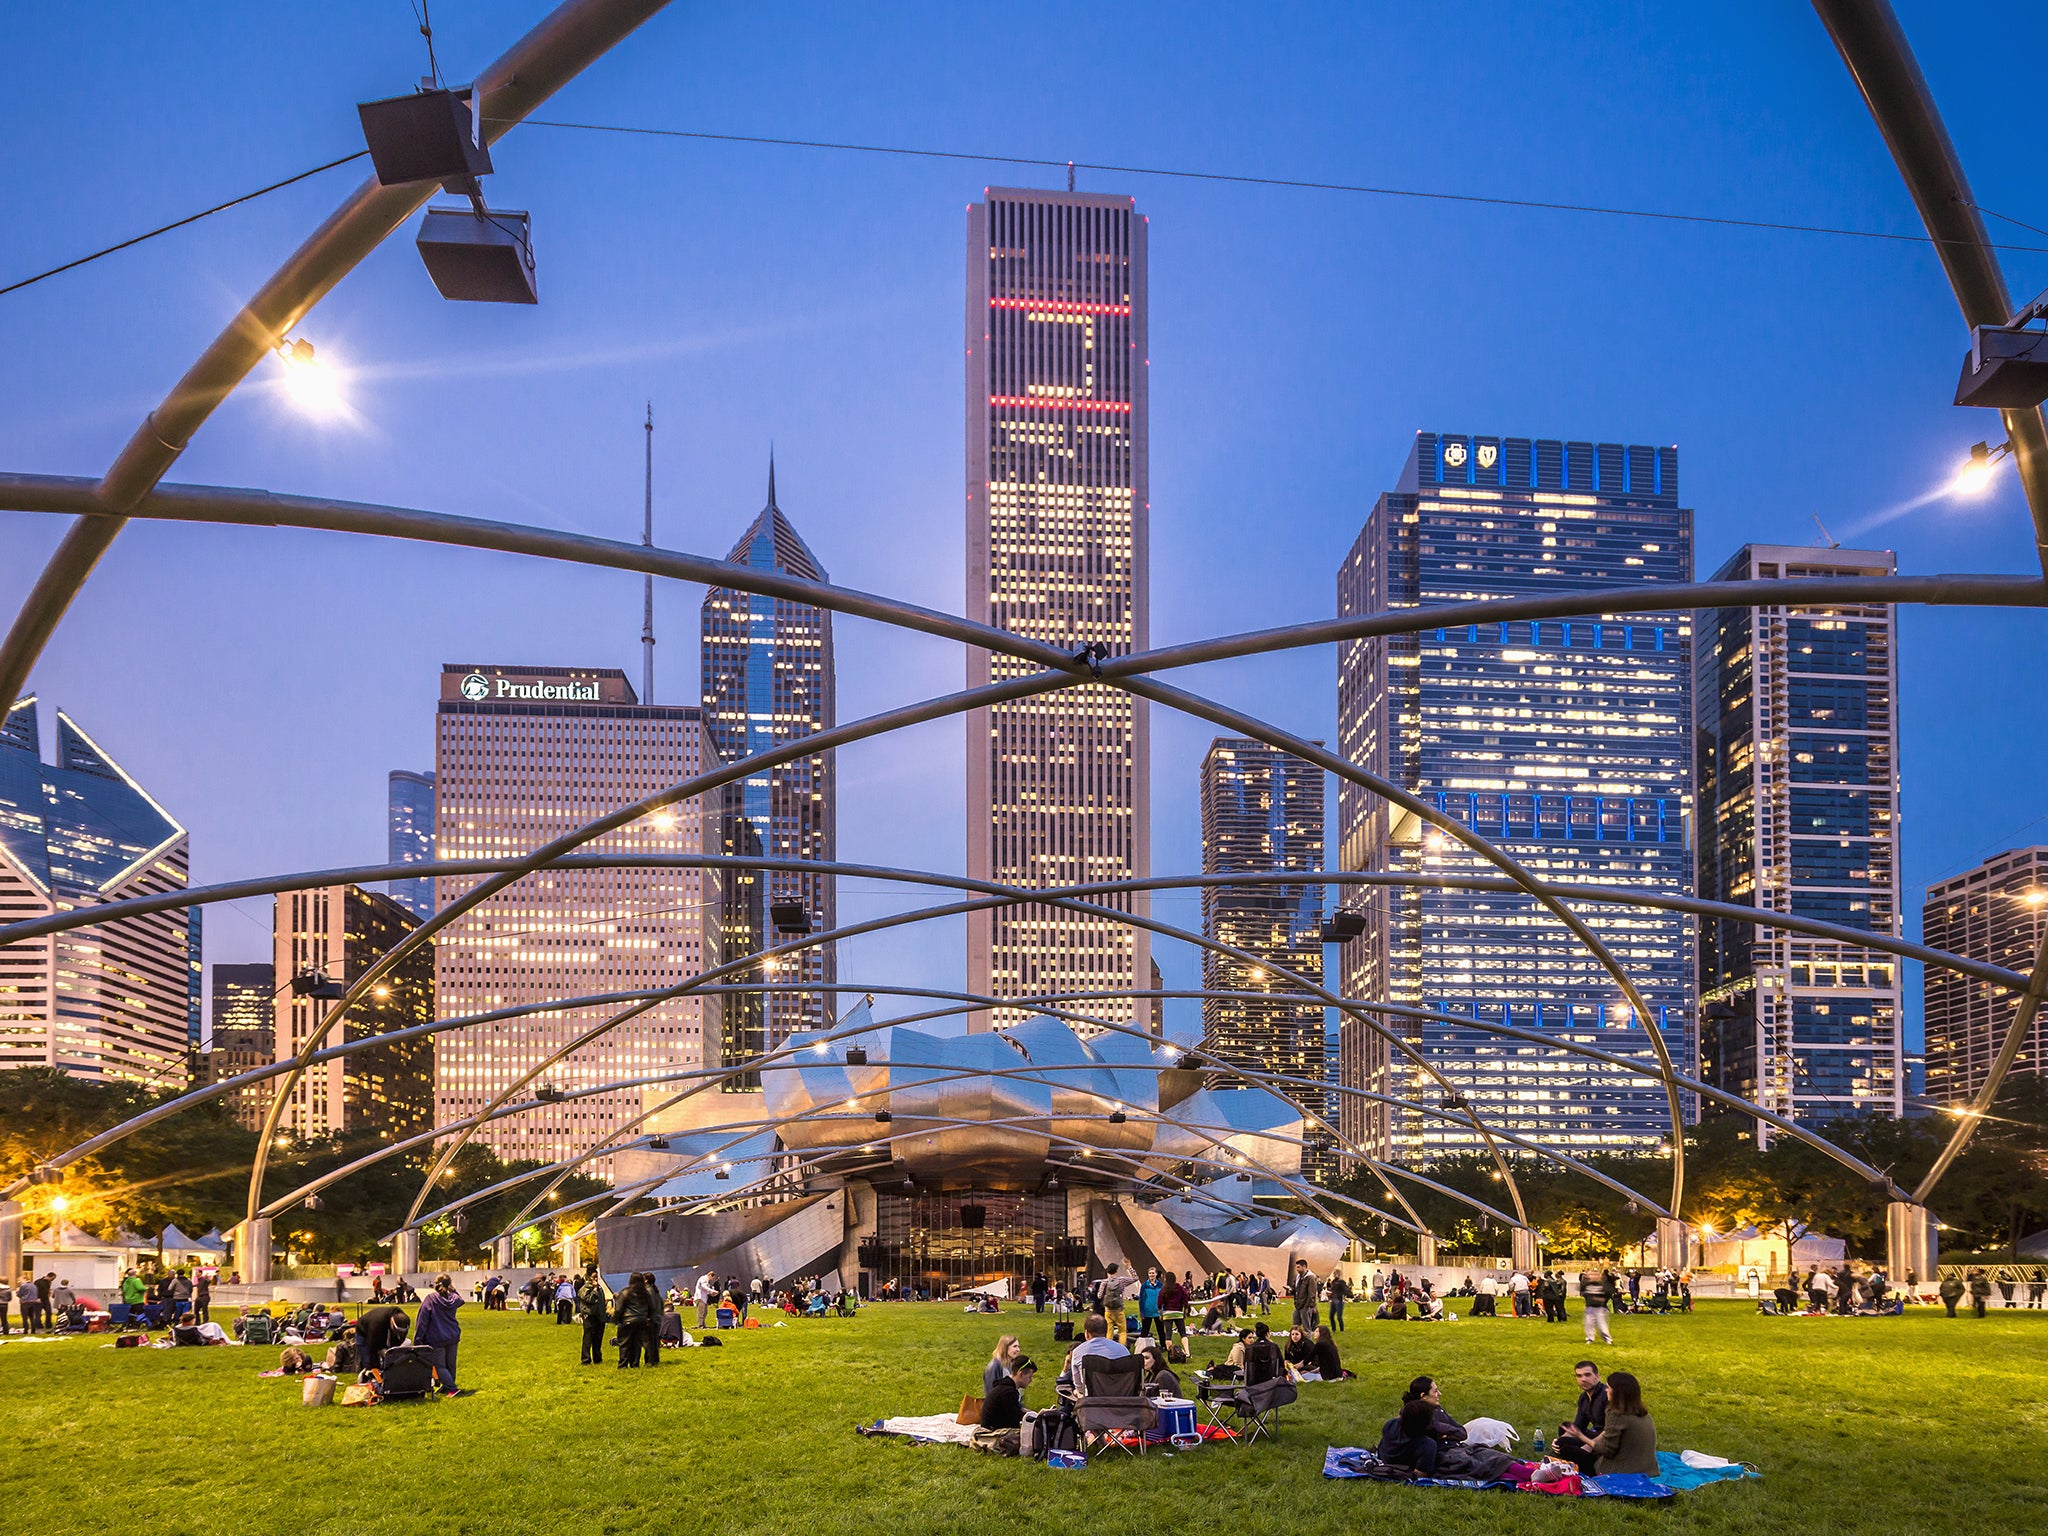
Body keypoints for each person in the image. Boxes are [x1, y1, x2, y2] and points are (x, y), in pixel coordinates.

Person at [1586, 1370, 1657, 1475]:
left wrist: (1583, 1439)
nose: (1605, 1390)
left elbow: (1607, 1450)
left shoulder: (1616, 1414)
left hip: (1620, 1471)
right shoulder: (1643, 1413)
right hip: (1647, 1468)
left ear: (1617, 1392)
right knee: (1576, 1437)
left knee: (1567, 1448)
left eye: (1608, 1388)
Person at [1055, 1310, 1129, 1398]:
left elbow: (1079, 1386)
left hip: (1091, 1403)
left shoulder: (1078, 1352)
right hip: (1121, 1400)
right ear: (1106, 1332)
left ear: (1086, 1333)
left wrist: (1078, 1392)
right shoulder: (1123, 1350)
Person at [973, 1354, 1037, 1455]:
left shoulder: (1004, 1387)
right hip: (993, 1432)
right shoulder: (1008, 1392)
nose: (1031, 1380)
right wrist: (1035, 1416)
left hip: (990, 1426)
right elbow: (1014, 1419)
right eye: (1030, 1376)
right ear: (1021, 1374)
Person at [1553, 1359, 1609, 1473]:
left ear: (1597, 1376)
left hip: (1607, 1441)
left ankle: (1590, 1467)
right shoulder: (1584, 1398)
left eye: (1587, 1375)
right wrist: (1559, 1440)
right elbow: (1578, 1426)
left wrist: (1590, 1446)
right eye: (1579, 1376)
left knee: (1567, 1450)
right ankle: (1569, 1458)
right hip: (1594, 1435)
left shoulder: (1607, 1396)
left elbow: (1612, 1429)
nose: (1583, 1379)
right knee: (1563, 1431)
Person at [415, 1273, 465, 1395]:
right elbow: (461, 1300)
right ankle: (447, 1385)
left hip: (437, 1336)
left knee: (439, 1366)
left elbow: (422, 1320)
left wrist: (418, 1338)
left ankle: (452, 1388)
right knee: (451, 1364)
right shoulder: (453, 1298)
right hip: (452, 1335)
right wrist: (452, 1289)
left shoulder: (431, 1299)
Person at [614, 1272, 657, 1369]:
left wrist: (617, 1319)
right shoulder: (646, 1293)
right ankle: (634, 1363)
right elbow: (651, 1308)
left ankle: (623, 1364)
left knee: (625, 1343)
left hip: (627, 1320)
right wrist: (647, 1318)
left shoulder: (625, 1292)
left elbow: (619, 1308)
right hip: (642, 1320)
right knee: (636, 1342)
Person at [578, 1269, 609, 1365]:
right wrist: (594, 1290)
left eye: (596, 1277)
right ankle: (586, 1359)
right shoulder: (585, 1288)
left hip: (599, 1315)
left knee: (598, 1338)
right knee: (588, 1338)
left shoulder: (599, 1288)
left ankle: (597, 1358)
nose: (595, 1279)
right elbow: (589, 1299)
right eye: (593, 1277)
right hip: (590, 1315)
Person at [1579, 1265, 1614, 1345]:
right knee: (1588, 1324)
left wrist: (1602, 1300)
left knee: (1602, 1325)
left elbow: (1609, 1292)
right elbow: (1583, 1292)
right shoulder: (1587, 1284)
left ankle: (1608, 1339)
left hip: (1600, 1308)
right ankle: (1589, 1338)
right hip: (1589, 1308)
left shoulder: (1602, 1284)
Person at [1290, 1257, 1320, 1331]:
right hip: (1298, 1305)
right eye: (1296, 1267)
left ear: (1304, 1267)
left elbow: (1312, 1294)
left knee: (1307, 1328)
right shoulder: (1298, 1277)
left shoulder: (1311, 1278)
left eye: (1298, 1267)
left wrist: (1307, 1306)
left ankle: (1308, 1342)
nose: (1297, 1269)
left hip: (1305, 1306)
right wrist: (1291, 1290)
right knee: (1295, 1326)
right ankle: (1295, 1340)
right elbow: (1296, 1289)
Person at [1159, 1271, 1189, 1338]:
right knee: (1183, 1334)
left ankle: (1169, 1348)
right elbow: (1185, 1299)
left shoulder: (1163, 1289)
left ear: (1166, 1279)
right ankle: (1186, 1348)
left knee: (1168, 1334)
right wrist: (1185, 1312)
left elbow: (1159, 1303)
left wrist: (1161, 1314)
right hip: (1178, 1313)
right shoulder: (1180, 1288)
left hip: (1167, 1314)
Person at [1138, 1266, 1162, 1340]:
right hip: (1147, 1312)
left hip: (1158, 1312)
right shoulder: (1144, 1286)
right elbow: (1141, 1299)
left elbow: (1162, 1298)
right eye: (1150, 1273)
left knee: (1161, 1331)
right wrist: (1142, 1312)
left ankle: (1164, 1346)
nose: (1151, 1274)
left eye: (1153, 1273)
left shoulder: (1160, 1285)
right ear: (1148, 1274)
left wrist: (1162, 1311)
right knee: (1145, 1331)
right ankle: (1142, 1346)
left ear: (1156, 1274)